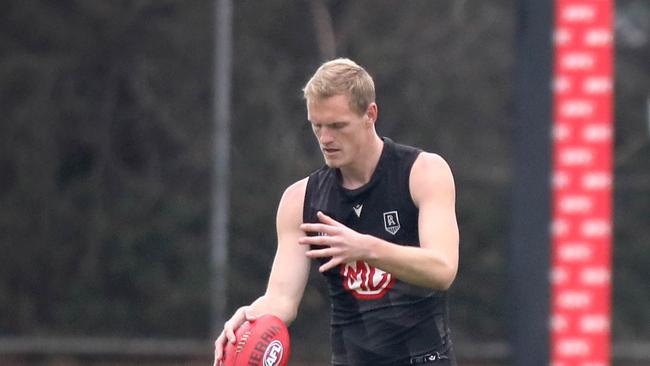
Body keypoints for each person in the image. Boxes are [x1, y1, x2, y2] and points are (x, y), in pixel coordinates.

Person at [214, 58, 459, 366]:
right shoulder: (301, 200)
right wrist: (250, 319)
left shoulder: (423, 172)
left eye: (337, 126)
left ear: (370, 114)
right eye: (317, 125)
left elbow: (442, 269)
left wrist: (366, 248)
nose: (326, 139)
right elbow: (282, 300)